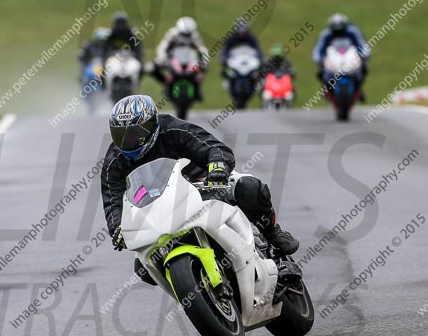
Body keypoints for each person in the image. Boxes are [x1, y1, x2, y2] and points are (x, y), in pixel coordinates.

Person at [101, 95, 299, 282]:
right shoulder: (114, 161)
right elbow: (112, 200)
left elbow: (212, 147)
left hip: (203, 183)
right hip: (157, 208)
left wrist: (218, 166)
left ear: (153, 124)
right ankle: (192, 286)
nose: (127, 141)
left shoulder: (173, 129)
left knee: (249, 188)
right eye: (120, 135)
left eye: (134, 134)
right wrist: (117, 228)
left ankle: (273, 234)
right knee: (144, 268)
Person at [312, 13, 369, 93]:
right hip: (333, 60)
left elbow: (362, 44)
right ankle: (327, 90)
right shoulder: (326, 34)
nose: (338, 32)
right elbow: (318, 49)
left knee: (364, 69)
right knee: (320, 73)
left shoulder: (353, 31)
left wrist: (364, 56)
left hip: (350, 59)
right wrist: (319, 60)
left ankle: (358, 89)